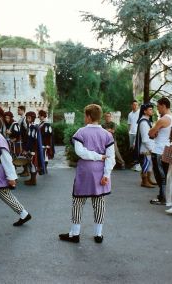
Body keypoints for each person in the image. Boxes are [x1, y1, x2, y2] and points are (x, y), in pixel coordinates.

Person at [59, 104, 115, 244]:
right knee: (99, 202)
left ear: (89, 117)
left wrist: (96, 156)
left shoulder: (81, 132)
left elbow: (80, 152)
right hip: (100, 172)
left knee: (78, 201)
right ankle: (98, 234)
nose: (84, 118)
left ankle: (75, 233)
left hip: (85, 171)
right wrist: (106, 175)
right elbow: (111, 157)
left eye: (85, 115)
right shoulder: (107, 134)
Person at [148, 97, 172, 205]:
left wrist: (154, 131)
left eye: (158, 106)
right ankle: (169, 196)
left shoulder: (163, 119)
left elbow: (150, 133)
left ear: (164, 106)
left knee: (161, 176)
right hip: (169, 148)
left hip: (159, 150)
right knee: (168, 175)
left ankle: (163, 198)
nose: (157, 109)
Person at [134, 103, 156, 188]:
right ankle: (144, 181)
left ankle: (149, 179)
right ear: (145, 111)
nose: (152, 111)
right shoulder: (143, 122)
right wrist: (151, 148)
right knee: (146, 164)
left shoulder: (146, 121)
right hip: (145, 147)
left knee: (149, 163)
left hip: (148, 146)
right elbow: (145, 138)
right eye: (150, 109)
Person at [23, 111, 45, 185]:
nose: (27, 119)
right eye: (27, 118)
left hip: (33, 149)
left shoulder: (33, 127)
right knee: (32, 164)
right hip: (33, 149)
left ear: (32, 118)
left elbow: (31, 140)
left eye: (29, 118)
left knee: (32, 164)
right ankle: (32, 179)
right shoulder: (33, 126)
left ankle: (33, 180)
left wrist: (26, 149)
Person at [128, 100, 141, 171]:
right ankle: (134, 164)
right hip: (131, 133)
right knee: (132, 149)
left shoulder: (140, 113)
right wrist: (128, 132)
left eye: (136, 105)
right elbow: (129, 124)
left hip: (137, 133)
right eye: (134, 104)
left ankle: (138, 165)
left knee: (136, 148)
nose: (135, 106)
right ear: (131, 105)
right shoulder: (130, 114)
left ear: (138, 106)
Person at [17, 105, 30, 176]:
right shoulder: (22, 118)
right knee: (23, 154)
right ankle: (25, 170)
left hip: (25, 140)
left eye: (19, 110)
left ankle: (27, 171)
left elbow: (27, 129)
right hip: (23, 140)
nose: (18, 111)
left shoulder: (24, 119)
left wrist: (25, 139)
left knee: (25, 154)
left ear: (22, 110)